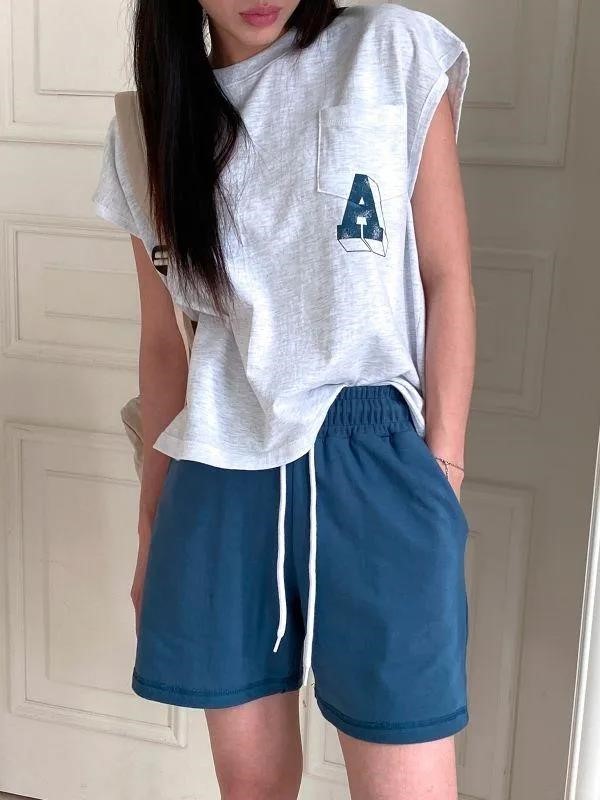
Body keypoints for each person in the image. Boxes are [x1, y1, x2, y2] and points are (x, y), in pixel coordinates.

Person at [92, 1, 475, 797]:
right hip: (217, 470)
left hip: (374, 455)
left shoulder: (389, 51)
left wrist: (443, 474)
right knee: (253, 789)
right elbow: (165, 347)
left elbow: (447, 277)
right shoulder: (148, 129)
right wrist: (150, 530)